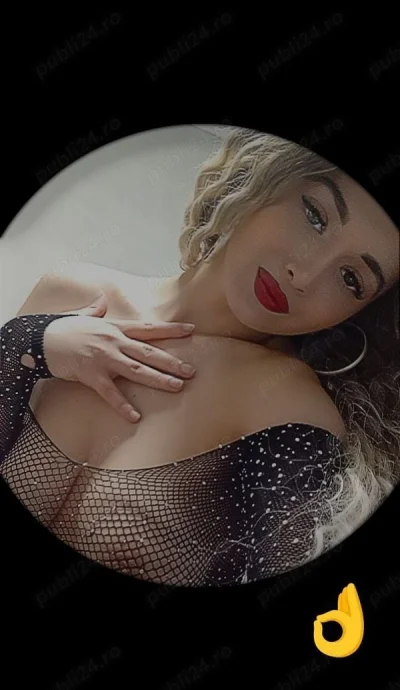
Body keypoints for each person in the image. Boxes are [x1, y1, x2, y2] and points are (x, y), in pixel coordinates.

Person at [1, 126, 399, 587]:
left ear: (359, 313)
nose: (303, 273)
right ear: (267, 176)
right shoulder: (66, 294)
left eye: (351, 279)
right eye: (314, 215)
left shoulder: (292, 414)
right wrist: (28, 344)